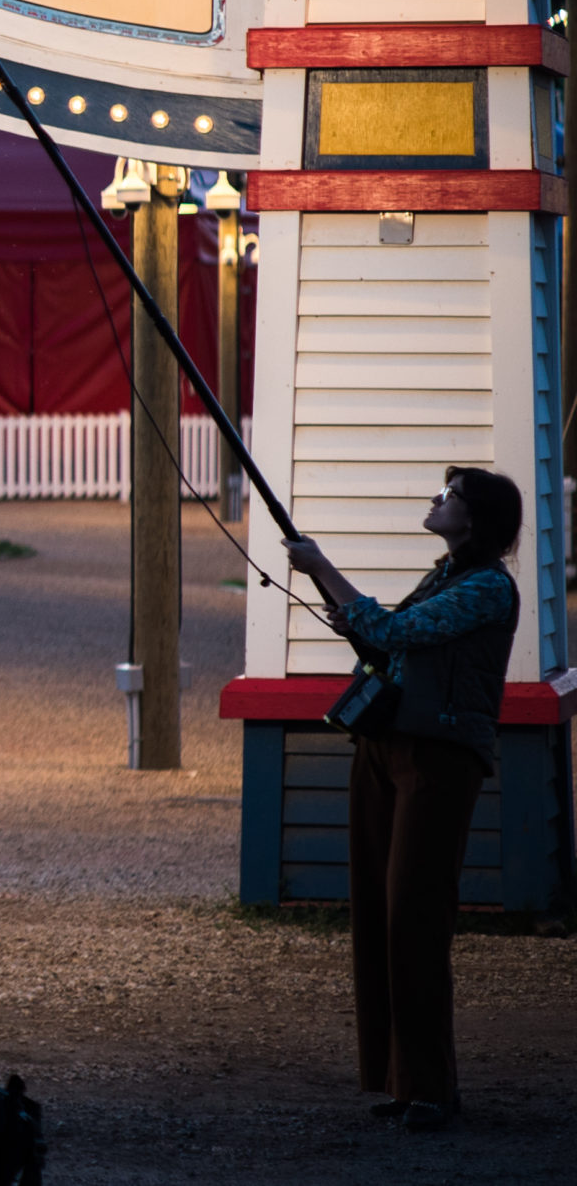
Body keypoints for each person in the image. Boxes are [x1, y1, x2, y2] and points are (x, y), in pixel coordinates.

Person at [284, 466, 521, 1134]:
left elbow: (395, 635)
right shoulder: (446, 575)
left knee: (414, 916)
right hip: (387, 747)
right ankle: (401, 1079)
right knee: (381, 916)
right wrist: (343, 603)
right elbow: (387, 642)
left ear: (475, 519)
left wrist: (323, 567)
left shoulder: (487, 588)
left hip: (439, 759)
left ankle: (432, 1087)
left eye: (449, 497)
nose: (436, 502)